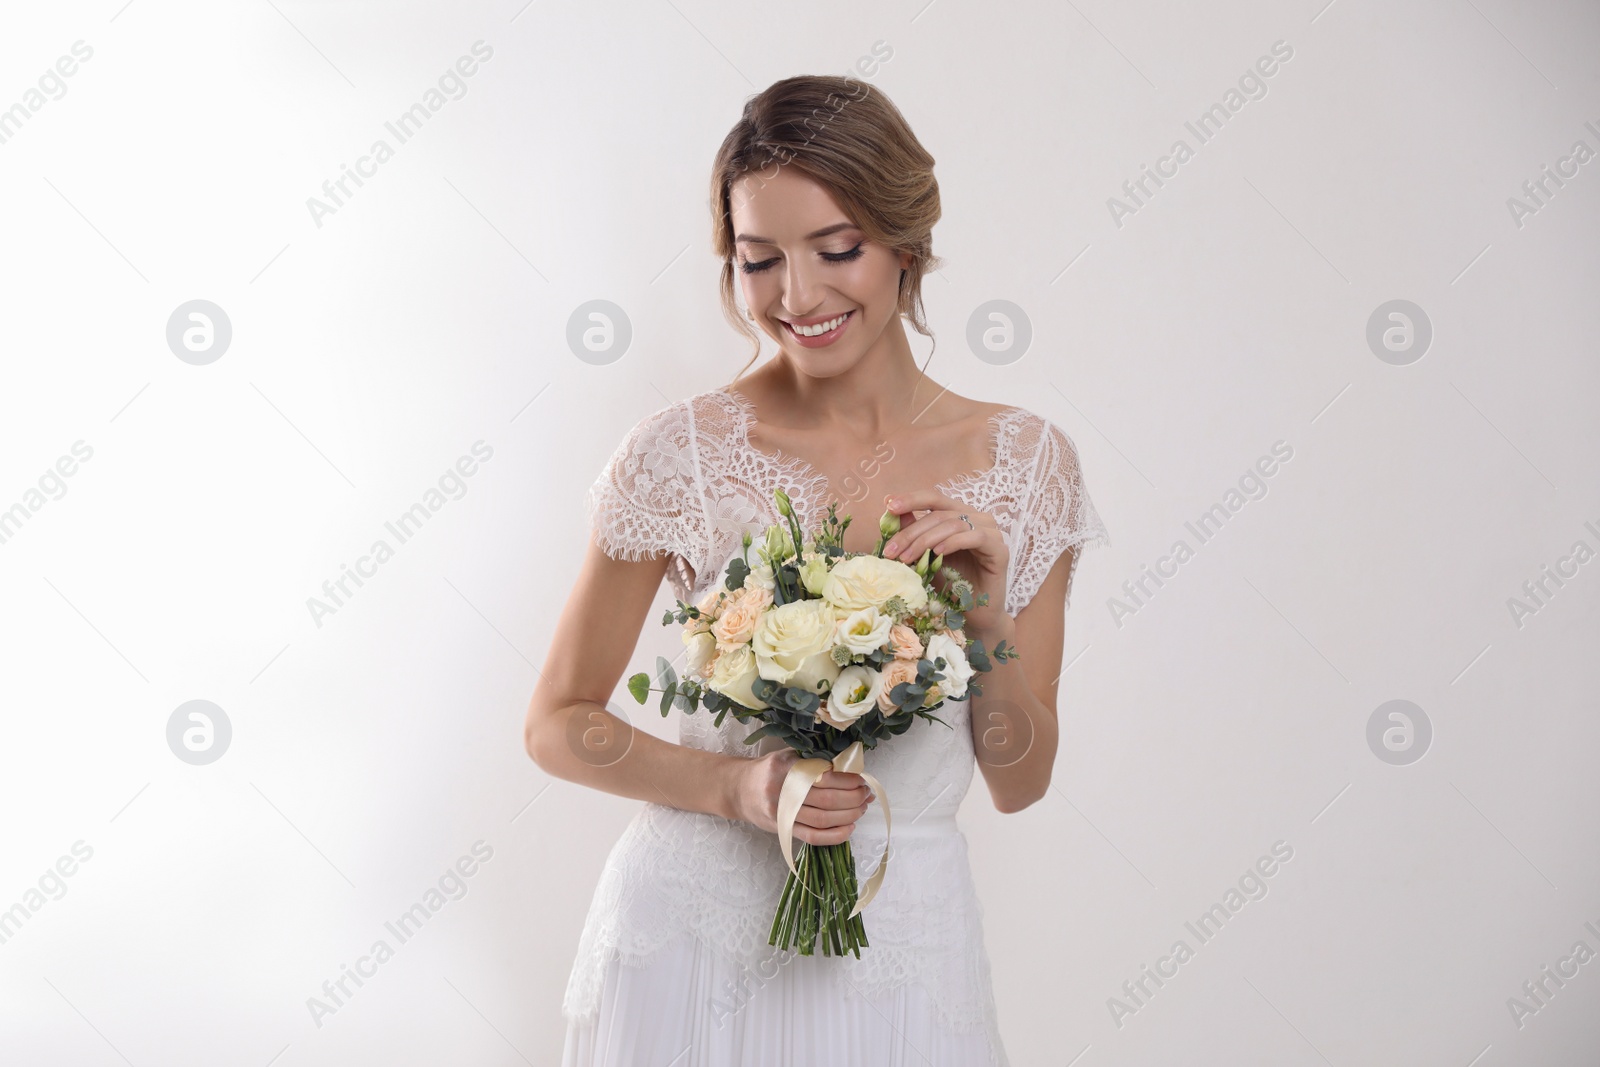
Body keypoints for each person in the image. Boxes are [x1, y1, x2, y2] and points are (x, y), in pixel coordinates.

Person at [525, 73, 1108, 1067]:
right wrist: (745, 788)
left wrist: (984, 613)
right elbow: (558, 721)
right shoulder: (683, 453)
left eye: (836, 250)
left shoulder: (1026, 463)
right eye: (759, 262)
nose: (796, 298)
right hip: (691, 935)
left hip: (907, 941)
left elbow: (1020, 777)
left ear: (905, 243)